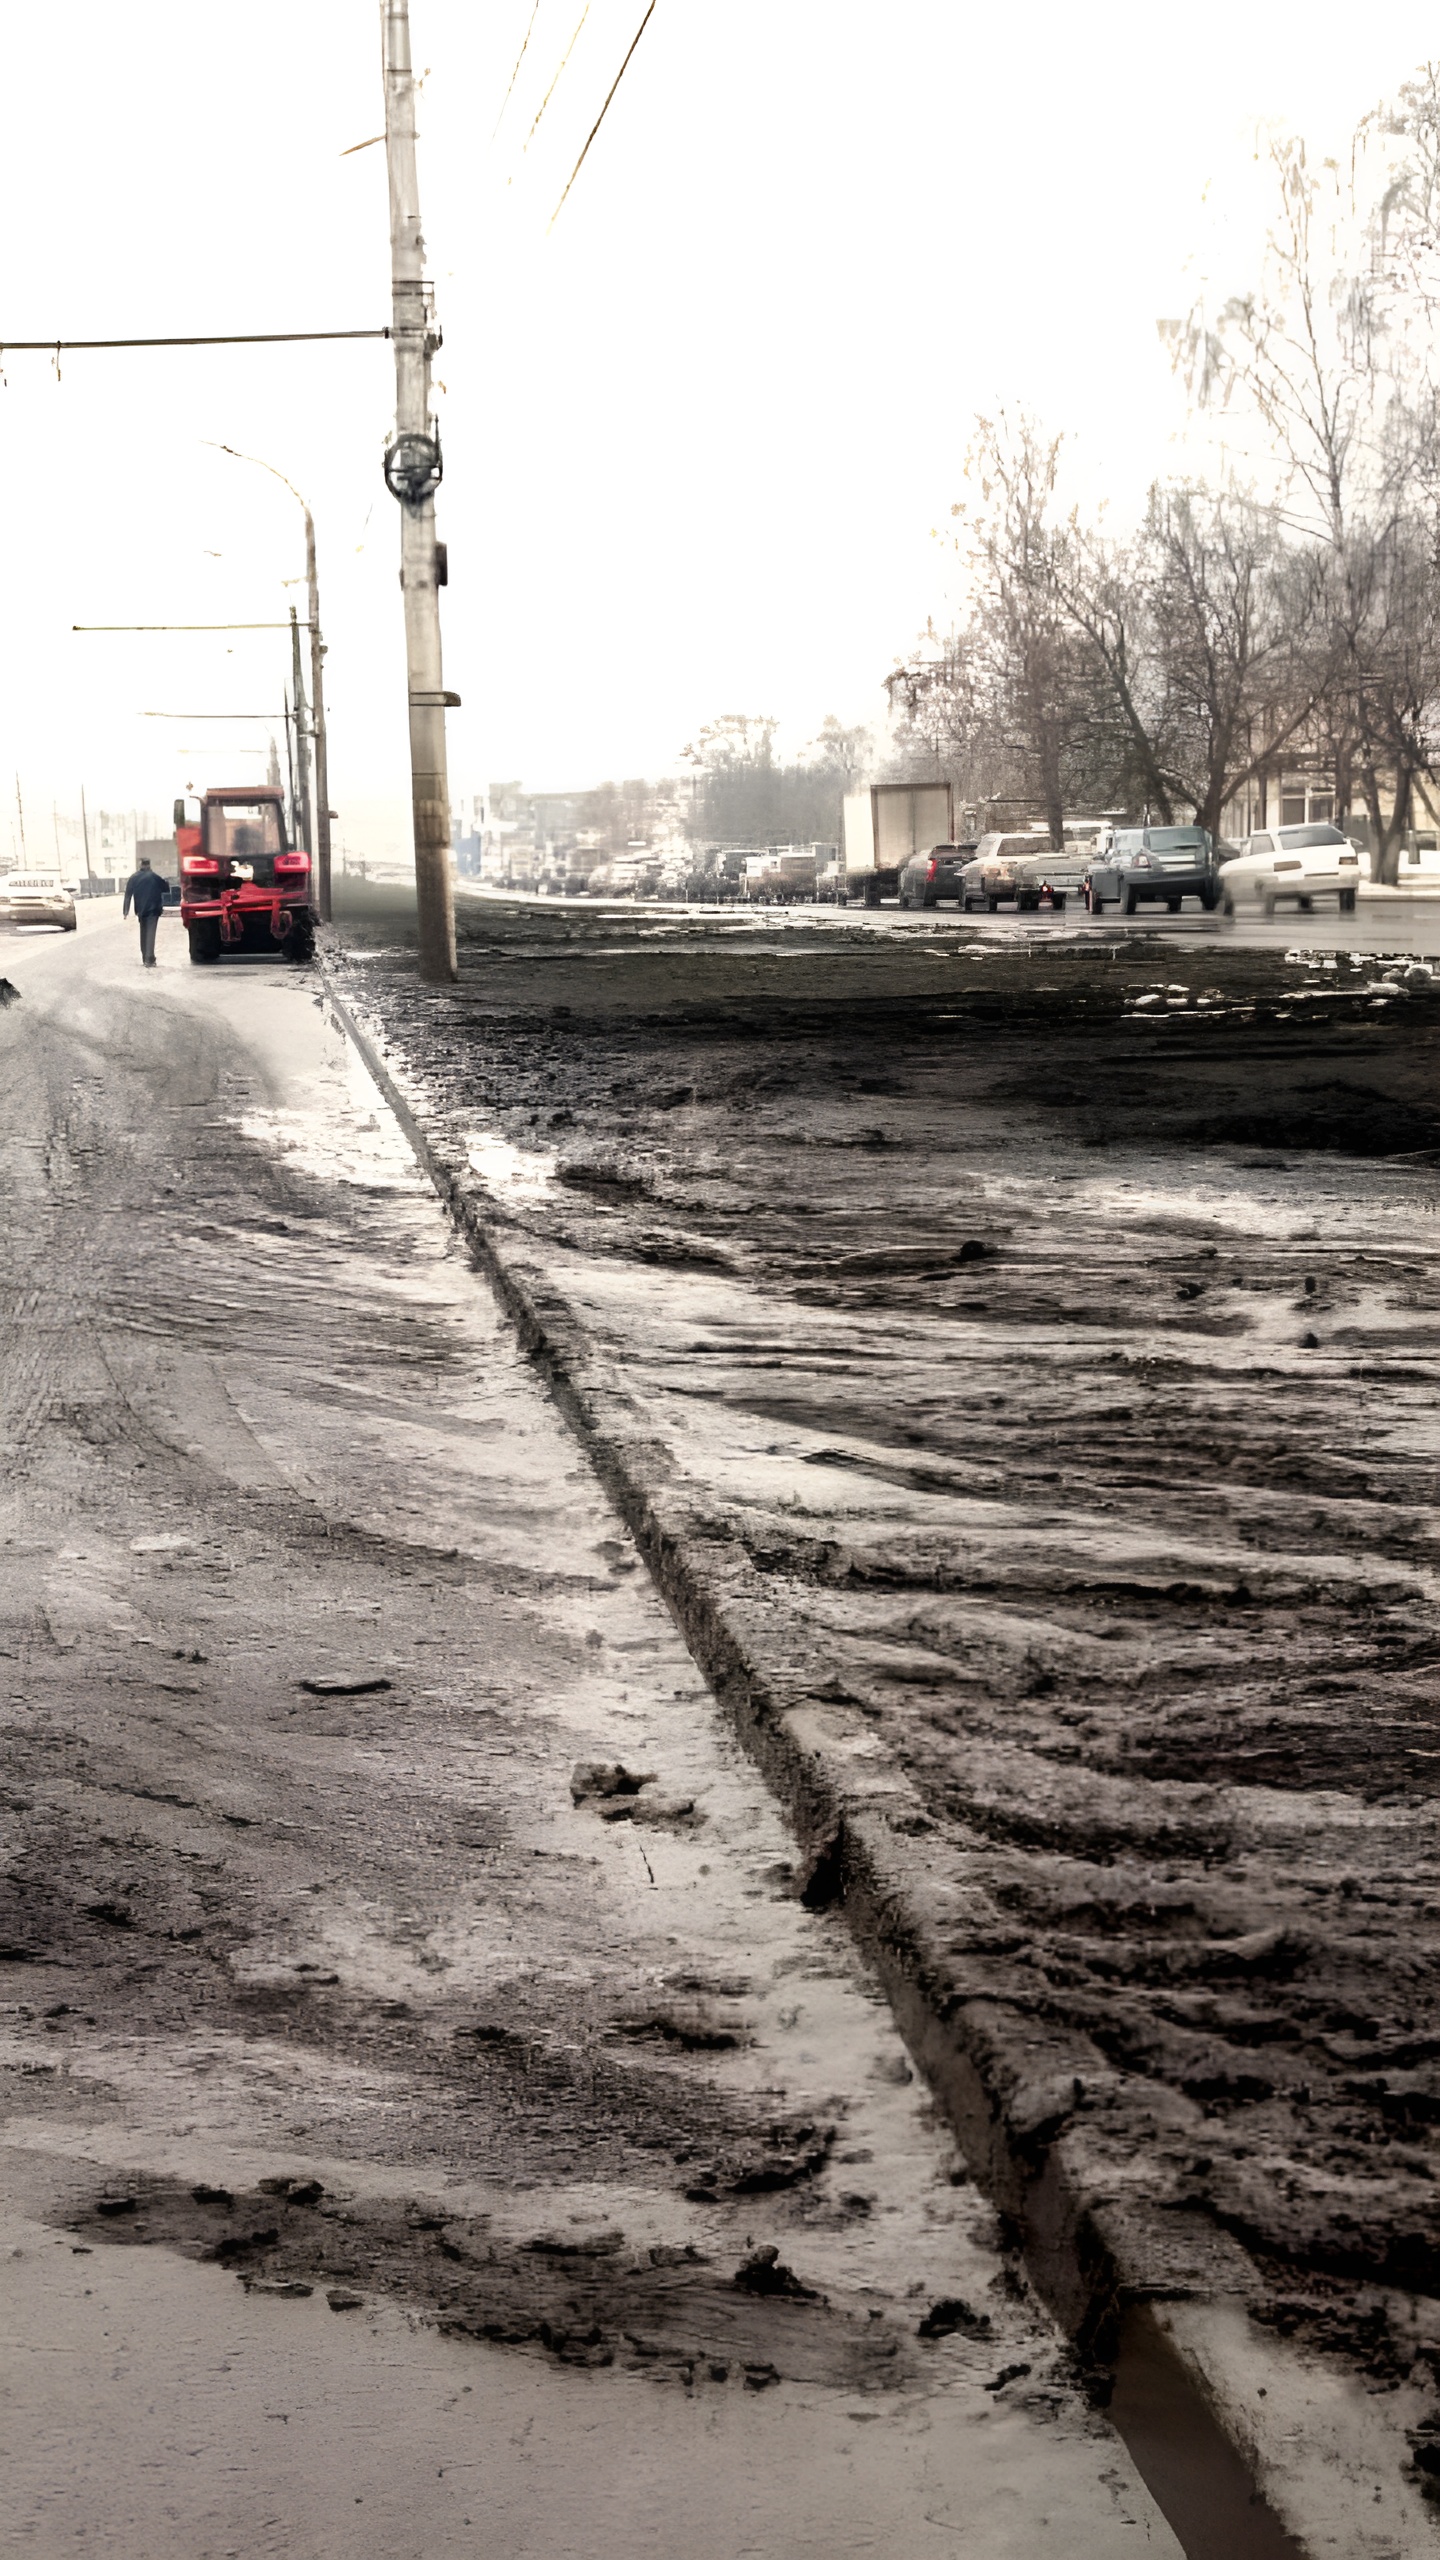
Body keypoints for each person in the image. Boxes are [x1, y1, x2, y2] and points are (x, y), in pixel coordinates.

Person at [122, 856, 168, 968]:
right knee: (151, 933)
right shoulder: (154, 876)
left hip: (141, 910)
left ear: (140, 865)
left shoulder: (134, 878)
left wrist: (125, 911)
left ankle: (145, 957)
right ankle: (150, 959)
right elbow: (166, 888)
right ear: (149, 865)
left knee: (144, 933)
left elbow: (128, 895)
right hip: (153, 909)